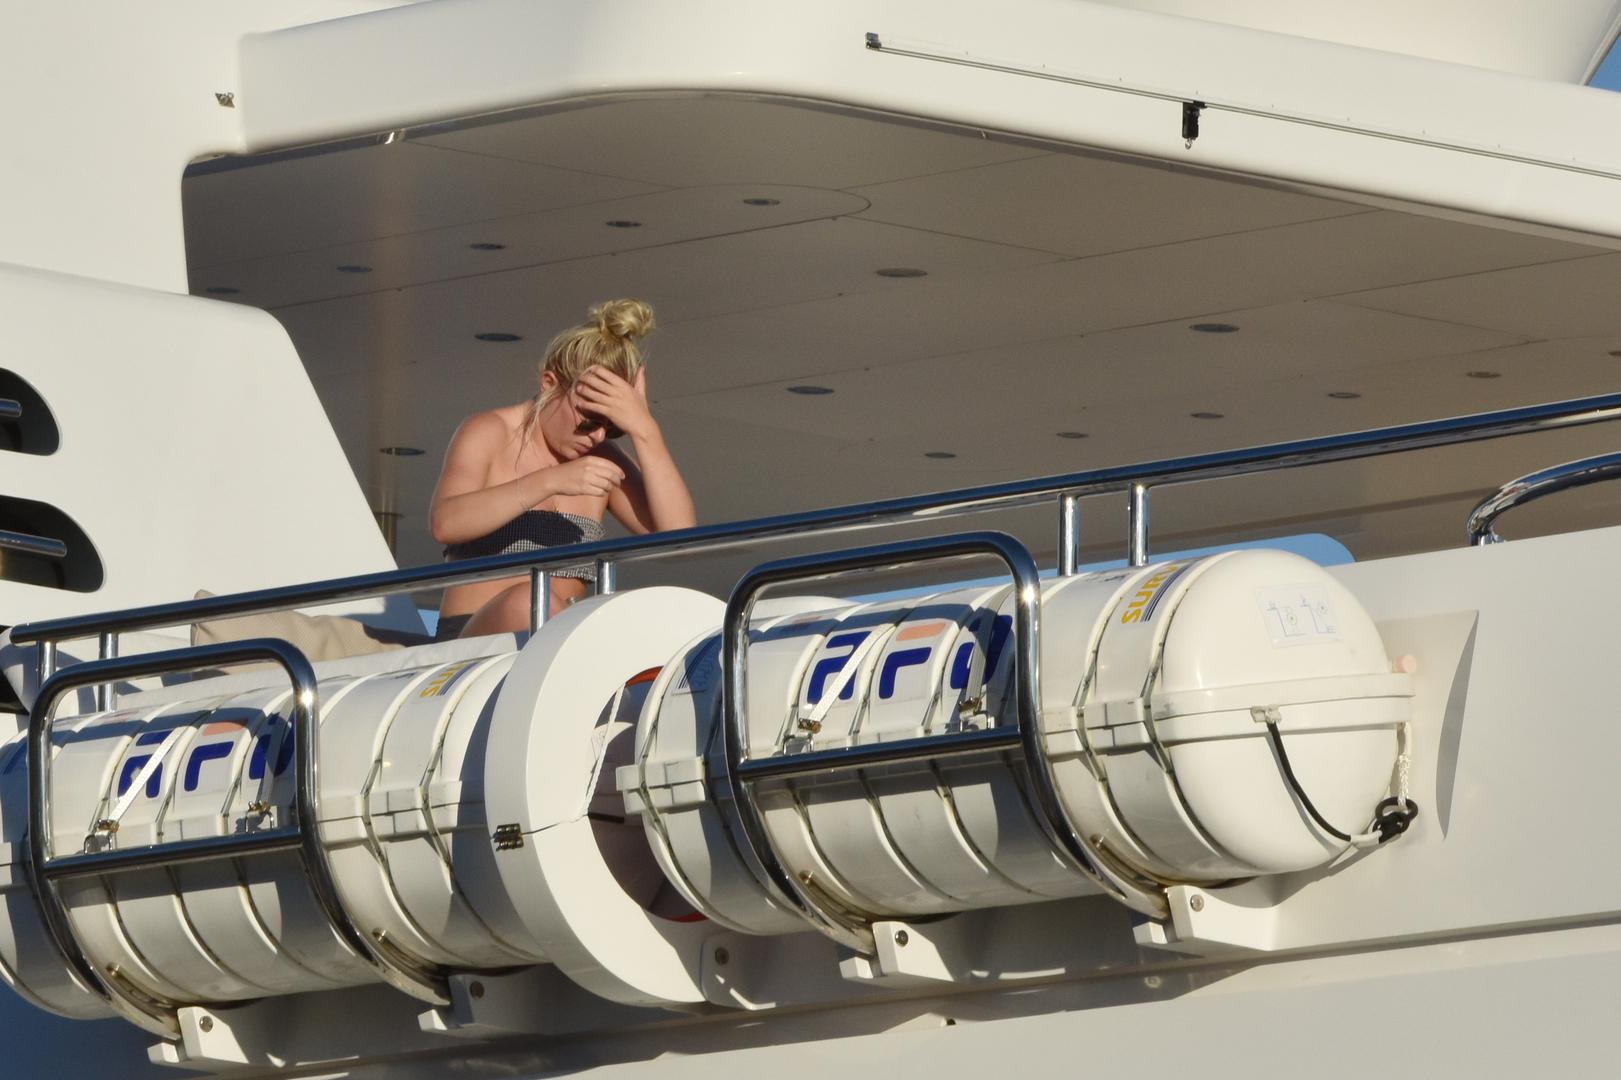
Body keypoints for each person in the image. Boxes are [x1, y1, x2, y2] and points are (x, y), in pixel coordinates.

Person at [429, 298, 695, 639]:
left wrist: (645, 431)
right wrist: (549, 481)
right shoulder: (489, 431)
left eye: (613, 427)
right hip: (479, 644)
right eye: (589, 421)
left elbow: (678, 539)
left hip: (563, 646)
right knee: (528, 600)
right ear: (549, 383)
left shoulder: (602, 456)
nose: (597, 435)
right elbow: (446, 522)